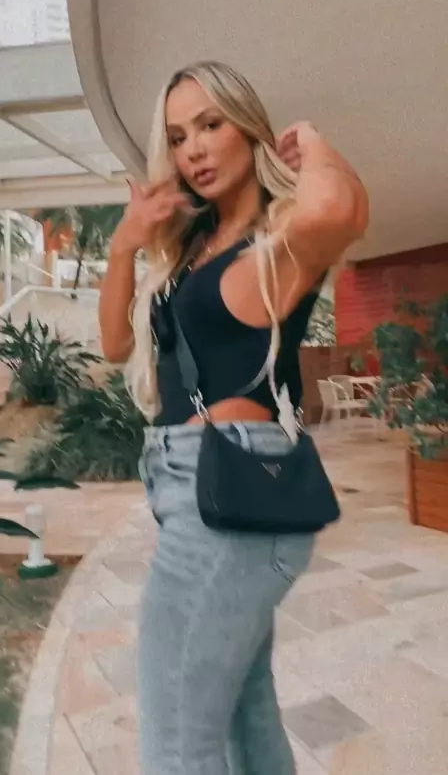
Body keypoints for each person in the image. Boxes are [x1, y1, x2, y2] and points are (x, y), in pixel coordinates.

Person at [99, 61, 368, 775]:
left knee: (175, 746)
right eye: (177, 136)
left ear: (248, 129)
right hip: (192, 490)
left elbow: (340, 212)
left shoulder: (275, 245)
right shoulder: (193, 251)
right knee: (245, 720)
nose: (192, 148)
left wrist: (315, 144)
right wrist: (125, 243)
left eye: (210, 125)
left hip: (227, 495)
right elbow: (116, 343)